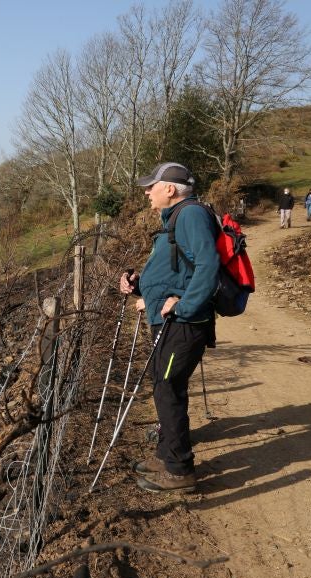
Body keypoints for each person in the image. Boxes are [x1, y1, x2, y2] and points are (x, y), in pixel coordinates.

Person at [119, 162, 219, 493]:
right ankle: (166, 455)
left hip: (184, 324)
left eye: (152, 186)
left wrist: (184, 305)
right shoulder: (174, 219)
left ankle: (179, 471)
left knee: (167, 388)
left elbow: (208, 265)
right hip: (170, 322)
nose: (147, 192)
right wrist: (140, 287)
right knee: (165, 385)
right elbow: (178, 272)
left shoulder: (190, 215)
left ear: (170, 189)